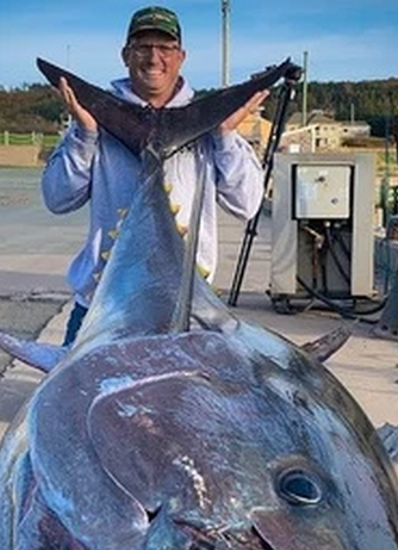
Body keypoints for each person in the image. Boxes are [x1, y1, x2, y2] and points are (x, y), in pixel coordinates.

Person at [42, 5, 268, 346]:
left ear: (181, 56)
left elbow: (247, 205)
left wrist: (223, 137)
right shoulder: (93, 123)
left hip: (187, 311)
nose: (153, 58)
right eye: (142, 47)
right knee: (79, 397)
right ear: (125, 55)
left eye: (164, 48)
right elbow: (57, 199)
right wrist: (86, 134)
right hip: (103, 307)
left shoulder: (209, 129)